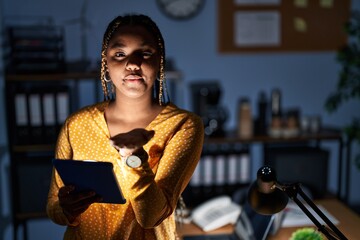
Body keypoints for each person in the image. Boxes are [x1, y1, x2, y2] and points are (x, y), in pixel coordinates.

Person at [46, 14, 204, 240]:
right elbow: (53, 206)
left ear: (159, 62)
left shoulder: (183, 126)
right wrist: (66, 209)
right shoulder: (77, 124)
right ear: (106, 64)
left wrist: (134, 157)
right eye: (120, 54)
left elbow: (151, 217)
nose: (132, 64)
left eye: (145, 53)